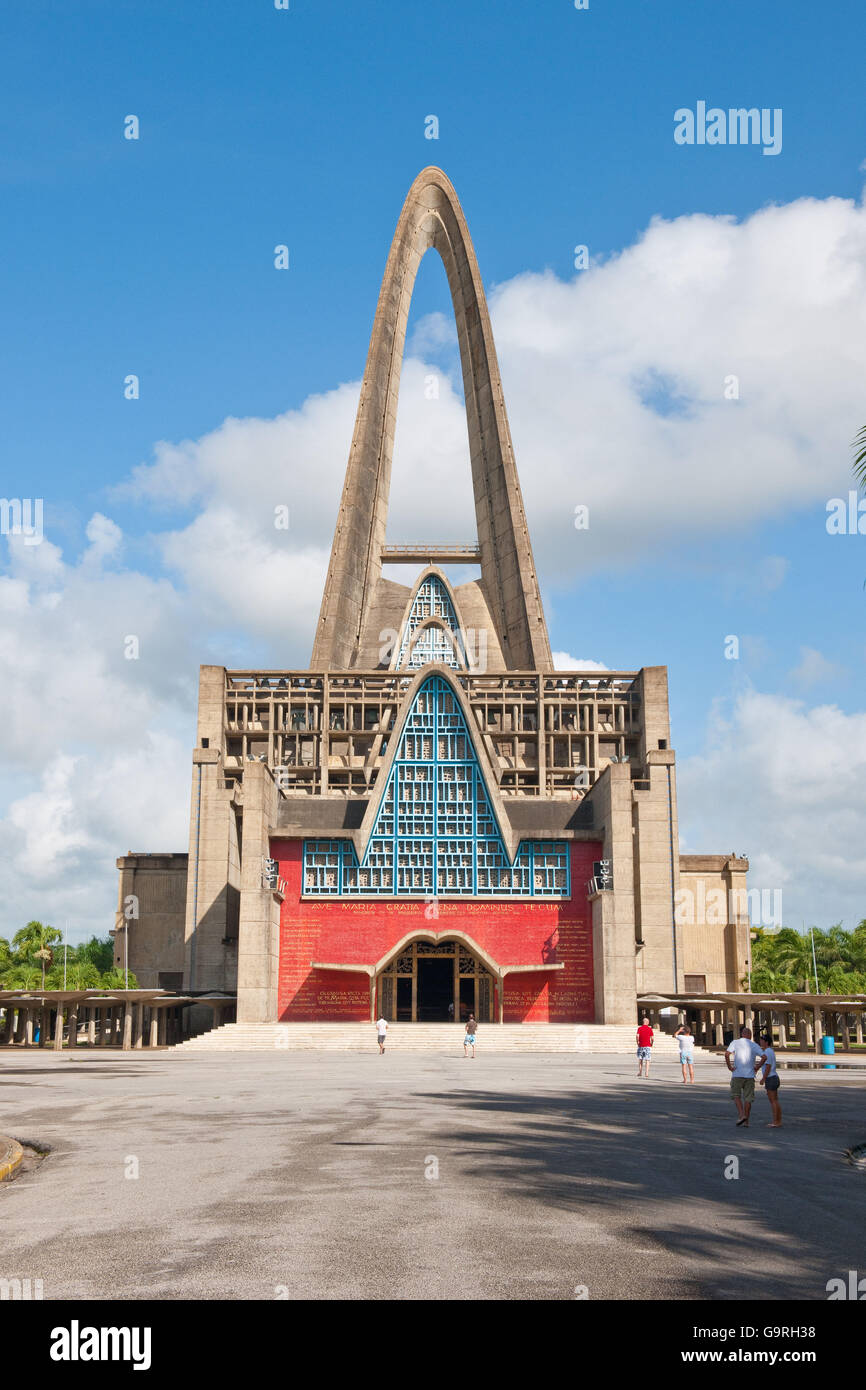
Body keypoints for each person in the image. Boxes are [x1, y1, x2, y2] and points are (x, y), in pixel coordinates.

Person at [725, 1025, 765, 1126]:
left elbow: (727, 1054)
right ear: (750, 1035)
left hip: (737, 1073)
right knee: (748, 1098)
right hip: (750, 1075)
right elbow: (764, 1057)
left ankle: (742, 1114)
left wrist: (730, 1066)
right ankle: (746, 1121)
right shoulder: (754, 1045)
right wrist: (757, 1067)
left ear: (742, 1034)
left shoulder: (735, 1042)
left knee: (736, 1095)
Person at [758, 1031, 782, 1127]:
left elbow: (768, 1066)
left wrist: (763, 1078)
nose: (760, 1042)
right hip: (774, 1077)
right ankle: (778, 1121)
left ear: (766, 1042)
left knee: (773, 1101)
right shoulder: (770, 1051)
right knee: (775, 1100)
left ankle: (776, 1122)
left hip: (770, 1078)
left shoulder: (767, 1051)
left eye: (762, 1040)